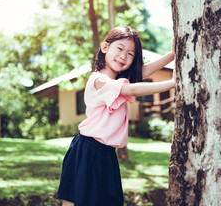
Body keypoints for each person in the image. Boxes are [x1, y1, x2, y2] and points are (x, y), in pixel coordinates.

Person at [56, 26, 175, 206]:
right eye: (119, 49)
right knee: (75, 200)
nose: (123, 56)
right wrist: (173, 83)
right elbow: (132, 89)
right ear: (105, 47)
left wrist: (171, 55)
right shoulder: (99, 80)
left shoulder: (116, 80)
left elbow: (142, 72)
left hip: (107, 154)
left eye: (130, 54)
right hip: (87, 149)